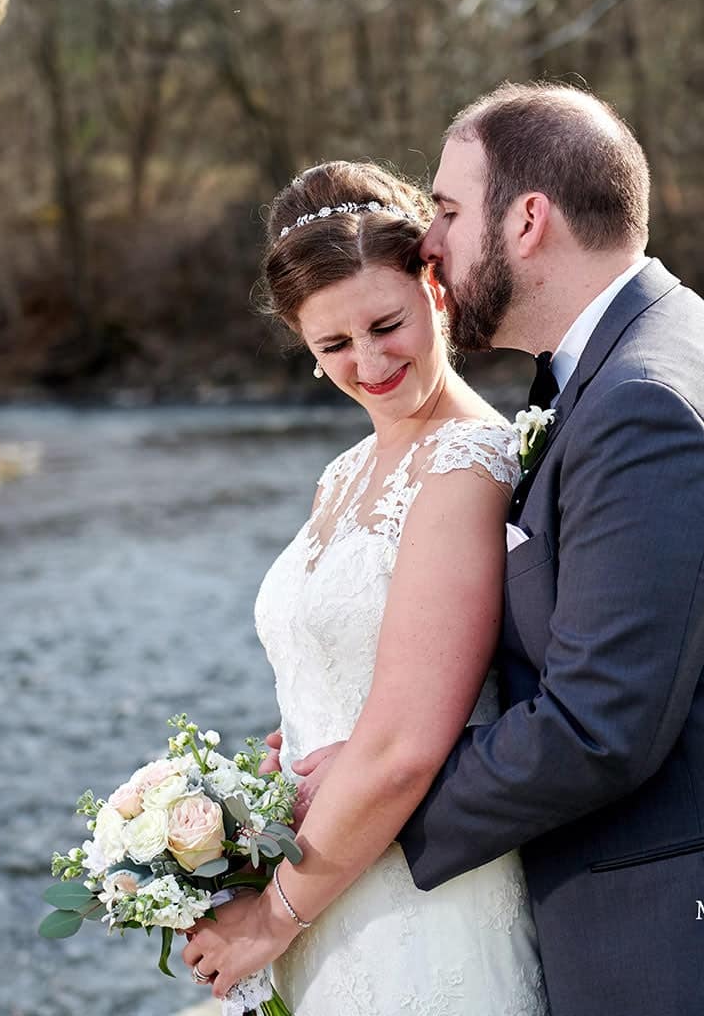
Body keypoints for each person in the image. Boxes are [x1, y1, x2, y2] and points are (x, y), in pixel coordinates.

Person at [271, 83, 704, 1015]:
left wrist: (370, 806)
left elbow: (597, 723)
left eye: (445, 210)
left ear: (526, 220)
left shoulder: (647, 400)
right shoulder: (616, 369)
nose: (428, 240)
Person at [180, 161, 547, 1013]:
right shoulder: (341, 474)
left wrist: (272, 917)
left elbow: (405, 743)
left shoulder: (468, 465)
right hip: (330, 872)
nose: (371, 362)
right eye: (334, 345)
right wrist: (268, 778)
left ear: (436, 288)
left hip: (421, 896)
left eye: (386, 324)